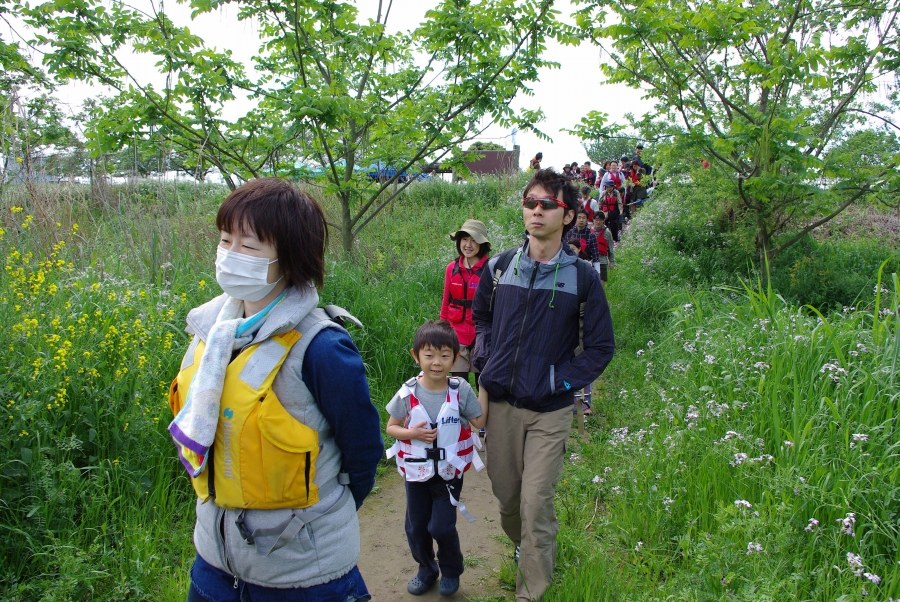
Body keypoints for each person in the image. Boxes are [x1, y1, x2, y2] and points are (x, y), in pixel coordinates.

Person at [169, 178, 383, 602]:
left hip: (302, 575)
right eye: (225, 240)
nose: (230, 256)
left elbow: (362, 453)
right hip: (214, 565)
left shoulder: (322, 348)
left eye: (248, 247)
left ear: (290, 259)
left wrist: (314, 521)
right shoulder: (211, 334)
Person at [471, 168, 615, 601]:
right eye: (530, 203)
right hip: (501, 406)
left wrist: (559, 380)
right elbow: (481, 319)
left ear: (567, 216)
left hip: (550, 410)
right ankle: (526, 549)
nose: (536, 210)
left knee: (536, 503)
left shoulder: (583, 277)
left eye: (546, 204)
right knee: (509, 500)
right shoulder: (499, 268)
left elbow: (601, 347)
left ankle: (530, 591)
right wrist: (485, 358)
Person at [385, 320, 489, 597]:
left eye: (445, 356)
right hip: (416, 474)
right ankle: (427, 570)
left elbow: (478, 420)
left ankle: (451, 570)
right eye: (429, 355)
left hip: (448, 473)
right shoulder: (407, 392)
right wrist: (411, 432)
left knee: (441, 527)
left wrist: (485, 386)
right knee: (416, 528)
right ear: (415, 355)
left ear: (455, 358)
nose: (436, 362)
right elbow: (391, 426)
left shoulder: (460, 390)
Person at [440, 220, 491, 384]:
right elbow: (446, 302)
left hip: (481, 336)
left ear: (482, 243)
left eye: (474, 240)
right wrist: (442, 331)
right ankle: (458, 411)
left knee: (482, 384)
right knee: (457, 385)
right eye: (464, 239)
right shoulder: (451, 268)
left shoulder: (490, 269)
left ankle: (481, 411)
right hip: (456, 335)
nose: (468, 245)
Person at [564, 208, 602, 273]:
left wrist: (597, 272)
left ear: (587, 220)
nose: (581, 220)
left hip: (586, 267)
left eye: (584, 218)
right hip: (570, 266)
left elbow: (595, 256)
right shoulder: (569, 233)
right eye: (579, 217)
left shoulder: (591, 236)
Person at [592, 212, 615, 283]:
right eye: (596, 219)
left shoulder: (607, 232)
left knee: (601, 284)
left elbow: (610, 248)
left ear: (603, 221)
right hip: (591, 261)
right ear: (593, 220)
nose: (598, 222)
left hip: (602, 261)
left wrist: (611, 262)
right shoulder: (589, 231)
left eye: (600, 220)